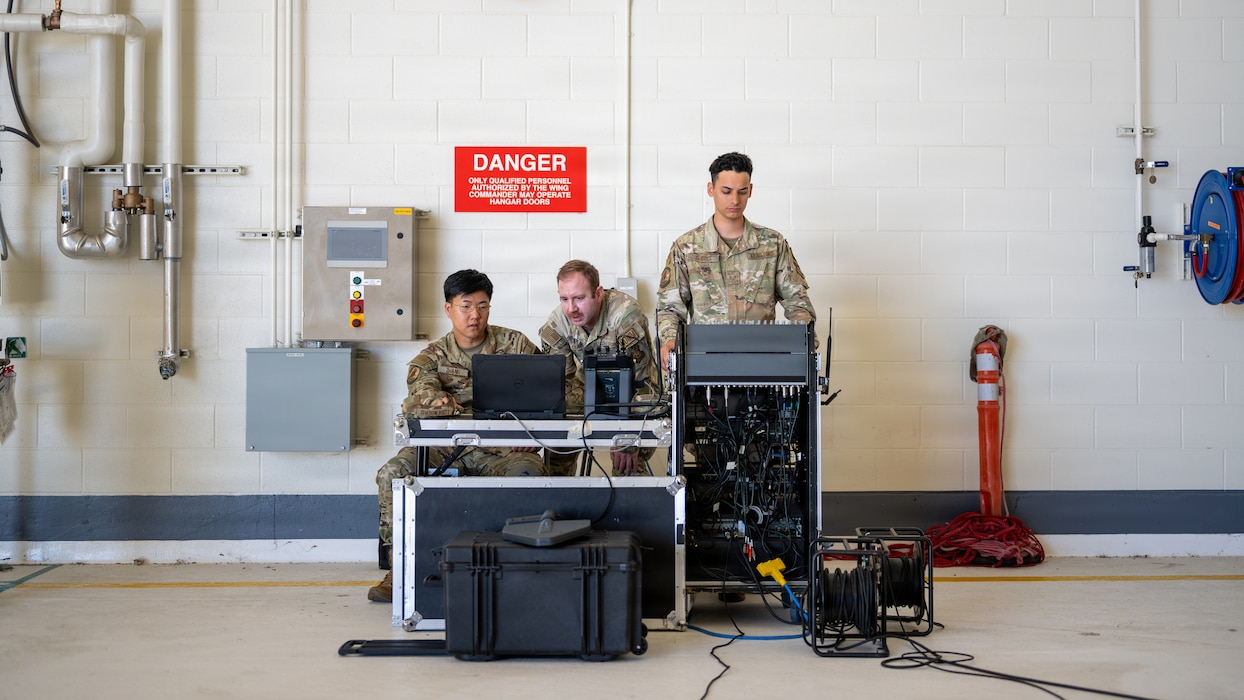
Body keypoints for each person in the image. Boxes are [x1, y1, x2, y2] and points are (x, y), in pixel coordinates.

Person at [368, 269, 546, 603]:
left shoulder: (516, 346)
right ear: (448, 309)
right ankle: (399, 569)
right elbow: (419, 403)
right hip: (444, 449)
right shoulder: (430, 358)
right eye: (465, 306)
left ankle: (524, 568)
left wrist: (530, 433)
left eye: (482, 305)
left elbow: (554, 392)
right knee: (392, 473)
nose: (474, 315)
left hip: (506, 452)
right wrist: (479, 423)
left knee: (530, 474)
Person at [655, 151, 816, 370]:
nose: (734, 200)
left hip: (763, 364)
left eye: (742, 192)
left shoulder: (772, 244)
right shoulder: (686, 248)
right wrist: (669, 340)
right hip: (705, 365)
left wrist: (803, 343)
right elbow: (670, 307)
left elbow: (797, 301)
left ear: (750, 190)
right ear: (710, 190)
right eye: (726, 191)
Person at [538, 260, 660, 476]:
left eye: (579, 298)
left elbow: (644, 385)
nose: (571, 308)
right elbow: (559, 386)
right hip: (588, 390)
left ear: (599, 293)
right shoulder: (557, 324)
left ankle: (630, 505)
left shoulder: (625, 316)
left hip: (634, 394)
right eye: (564, 299)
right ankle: (558, 505)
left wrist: (628, 441)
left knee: (627, 465)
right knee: (556, 450)